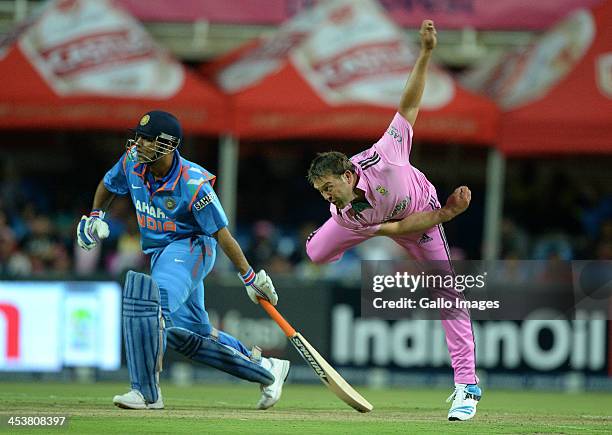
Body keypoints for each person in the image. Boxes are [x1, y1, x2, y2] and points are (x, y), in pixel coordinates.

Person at [305, 20, 481, 421]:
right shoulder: (345, 212)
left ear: (349, 174)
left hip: (422, 215)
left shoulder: (387, 153)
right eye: (321, 193)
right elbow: (392, 231)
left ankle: (467, 387)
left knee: (448, 293)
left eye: (329, 187)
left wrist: (425, 53)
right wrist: (452, 213)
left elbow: (410, 105)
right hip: (387, 222)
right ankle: (316, 241)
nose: (327, 196)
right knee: (315, 253)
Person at [76, 110, 290, 410]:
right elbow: (108, 185)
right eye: (137, 136)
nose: (137, 144)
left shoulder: (193, 183)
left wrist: (249, 278)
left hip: (190, 247)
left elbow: (222, 234)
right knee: (193, 334)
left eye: (146, 140)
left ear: (167, 144)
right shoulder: (132, 162)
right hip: (159, 253)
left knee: (152, 304)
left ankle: (146, 392)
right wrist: (95, 215)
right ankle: (266, 368)